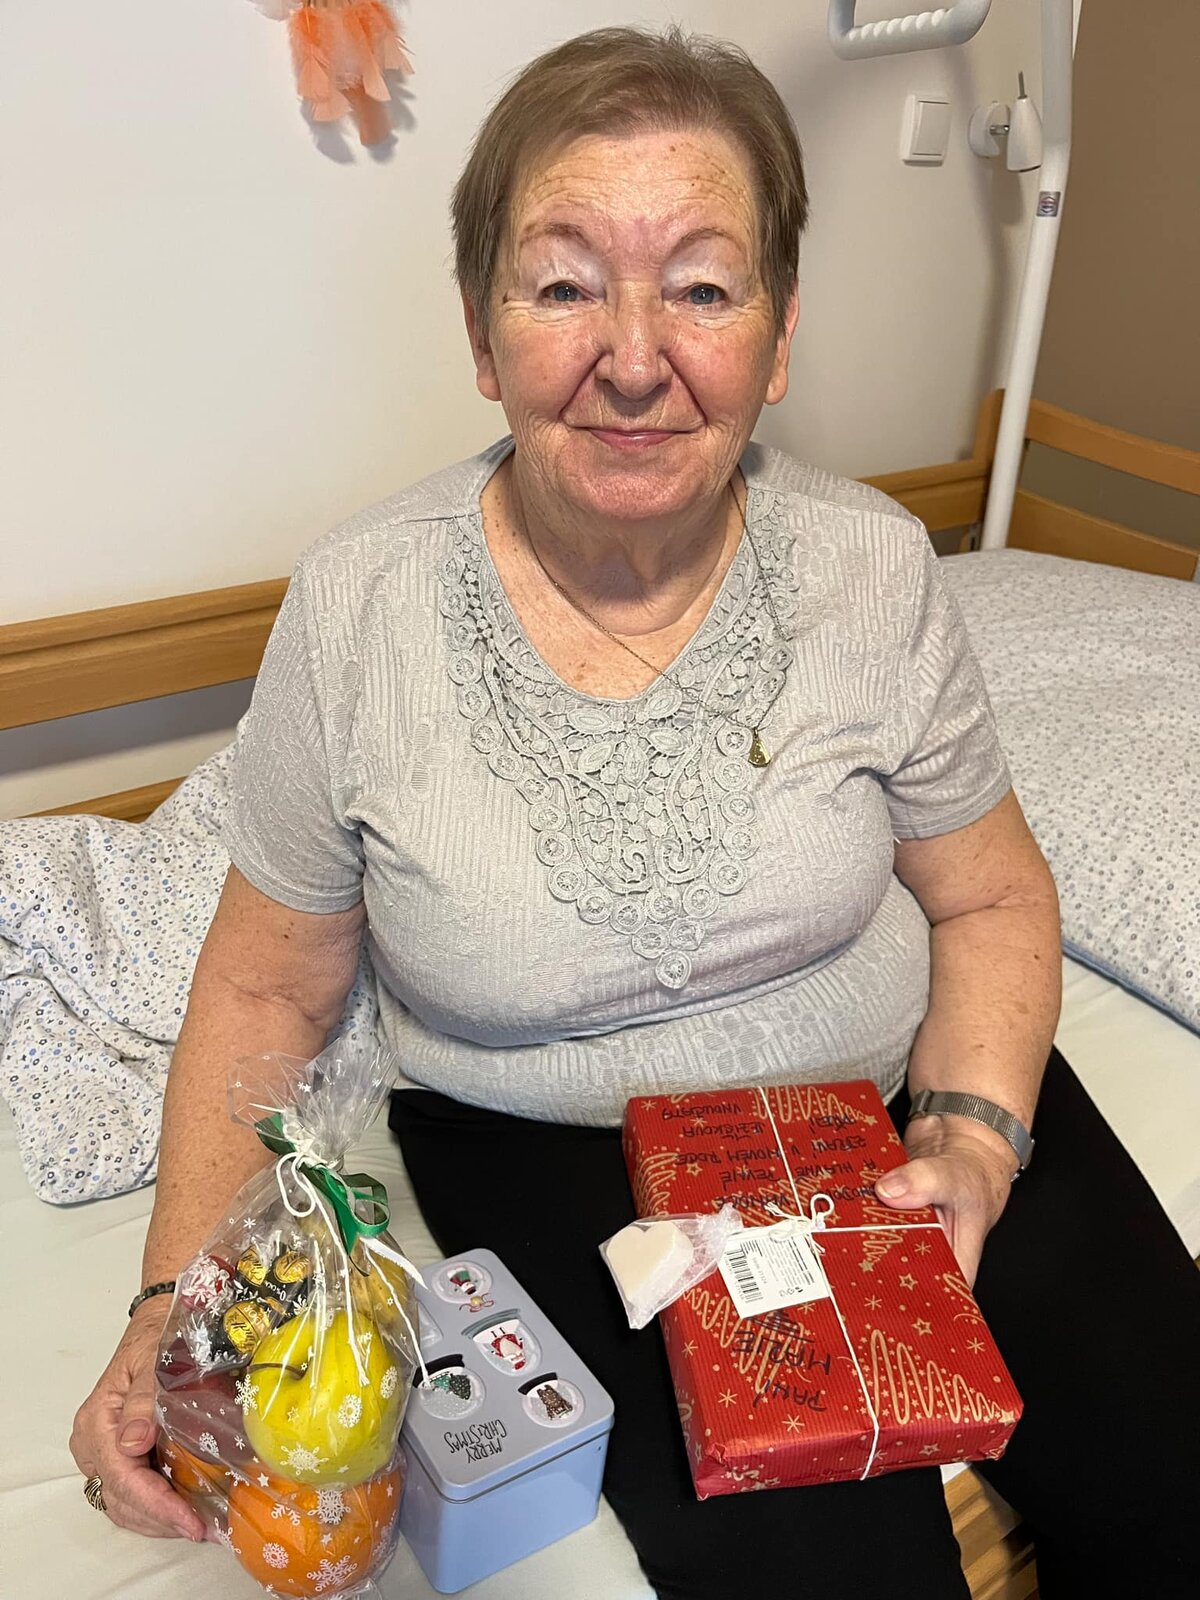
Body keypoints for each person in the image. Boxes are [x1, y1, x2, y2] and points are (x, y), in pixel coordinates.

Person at [71, 26, 1200, 1599]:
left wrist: (972, 1136)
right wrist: (167, 1313)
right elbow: (265, 987)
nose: (633, 355)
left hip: (897, 1103)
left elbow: (994, 896)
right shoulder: (356, 612)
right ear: (482, 333)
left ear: (779, 335)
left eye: (704, 288)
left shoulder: (875, 570)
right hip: (561, 1151)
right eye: (562, 284)